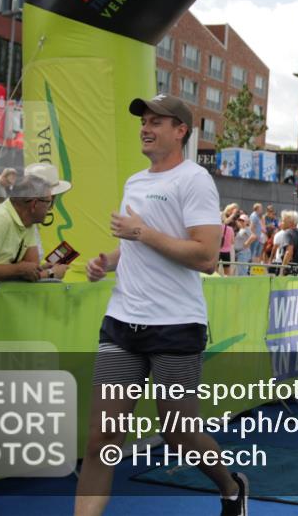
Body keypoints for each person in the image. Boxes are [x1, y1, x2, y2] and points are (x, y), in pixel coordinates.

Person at [77, 94, 248, 516]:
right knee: (101, 438)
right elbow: (136, 247)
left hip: (174, 327)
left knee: (179, 436)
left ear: (181, 131)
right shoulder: (135, 181)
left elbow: (206, 257)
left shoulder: (193, 180)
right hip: (122, 323)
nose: (146, 128)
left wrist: (142, 233)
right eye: (143, 121)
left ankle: (231, 486)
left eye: (157, 121)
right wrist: (109, 261)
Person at [218, 205, 237, 275]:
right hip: (227, 252)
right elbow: (232, 241)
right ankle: (226, 285)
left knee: (215, 272)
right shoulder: (230, 229)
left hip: (217, 251)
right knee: (227, 272)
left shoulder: (215, 228)